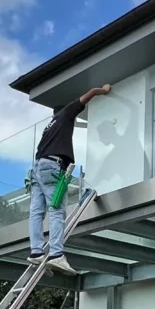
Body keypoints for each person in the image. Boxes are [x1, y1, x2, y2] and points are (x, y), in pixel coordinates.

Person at [28, 84, 112, 273]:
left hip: (37, 169)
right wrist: (102, 90)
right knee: (57, 209)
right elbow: (85, 97)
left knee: (36, 212)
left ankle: (36, 251)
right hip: (51, 166)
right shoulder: (65, 115)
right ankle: (56, 254)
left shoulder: (48, 128)